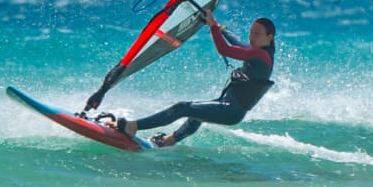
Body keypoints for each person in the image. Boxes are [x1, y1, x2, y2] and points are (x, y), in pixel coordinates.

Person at [112, 11, 275, 147]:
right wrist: (218, 26)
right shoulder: (262, 51)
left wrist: (213, 27)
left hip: (231, 110)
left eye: (257, 33)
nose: (252, 37)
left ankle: (133, 126)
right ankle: (169, 141)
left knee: (182, 108)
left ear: (270, 37)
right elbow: (238, 42)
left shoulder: (260, 54)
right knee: (196, 113)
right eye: (251, 32)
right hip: (230, 108)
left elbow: (224, 49)